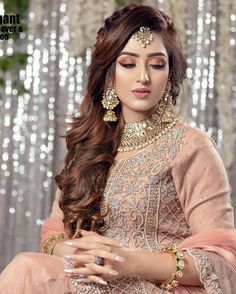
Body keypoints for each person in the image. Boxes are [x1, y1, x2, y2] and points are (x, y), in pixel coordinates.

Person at [1, 3, 236, 293]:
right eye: (128, 63)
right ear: (110, 74)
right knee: (27, 269)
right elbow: (53, 234)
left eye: (157, 64)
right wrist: (76, 252)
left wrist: (126, 261)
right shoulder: (86, 146)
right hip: (86, 282)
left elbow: (223, 261)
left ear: (170, 73)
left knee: (26, 268)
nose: (143, 77)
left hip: (152, 287)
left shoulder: (190, 146)